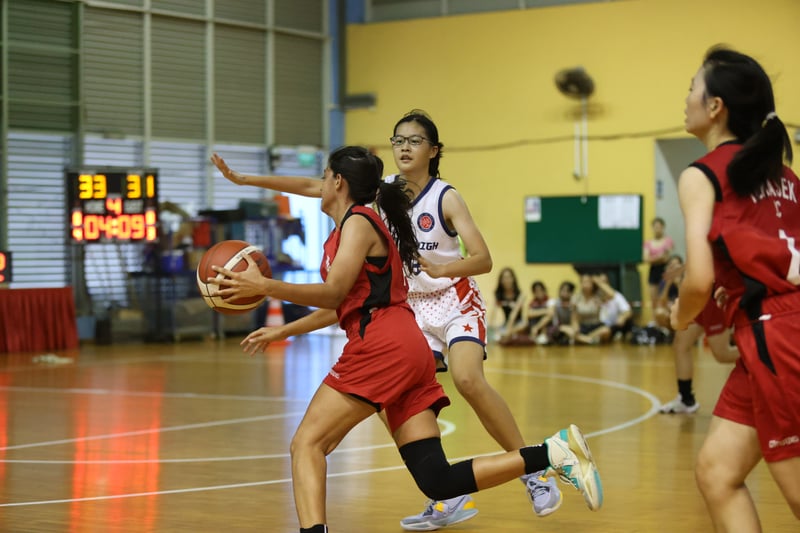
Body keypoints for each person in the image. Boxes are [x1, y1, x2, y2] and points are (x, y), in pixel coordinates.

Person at [208, 146, 603, 533]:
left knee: (307, 444)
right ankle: (553, 452)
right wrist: (283, 330)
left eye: (325, 177)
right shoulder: (351, 226)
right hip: (406, 346)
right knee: (437, 480)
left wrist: (265, 285)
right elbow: (342, 304)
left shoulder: (359, 223)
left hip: (381, 348)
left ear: (338, 182)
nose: (319, 185)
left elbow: (332, 293)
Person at [670, 46, 800, 531]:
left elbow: (698, 280)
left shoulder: (702, 174)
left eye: (692, 87)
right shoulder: (784, 176)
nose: (685, 98)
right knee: (717, 471)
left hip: (780, 336)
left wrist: (679, 317)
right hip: (770, 331)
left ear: (716, 106)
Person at [659, 295, 739, 414]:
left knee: (722, 354)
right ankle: (686, 399)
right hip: (699, 298)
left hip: (714, 296)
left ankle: (764, 350)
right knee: (681, 344)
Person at [643, 217, 674, 317]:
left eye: (659, 227)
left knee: (664, 299)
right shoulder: (648, 243)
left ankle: (665, 322)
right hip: (653, 272)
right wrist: (659, 256)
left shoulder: (668, 241)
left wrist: (653, 258)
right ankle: (655, 323)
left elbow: (666, 258)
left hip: (664, 271)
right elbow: (646, 259)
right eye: (655, 227)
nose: (657, 229)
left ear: (663, 227)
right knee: (654, 300)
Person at [490, 267, 526, 342]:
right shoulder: (498, 295)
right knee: (488, 326)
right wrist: (492, 326)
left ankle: (509, 335)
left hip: (518, 324)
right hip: (505, 324)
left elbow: (514, 314)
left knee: (524, 325)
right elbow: (493, 313)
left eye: (509, 277)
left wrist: (508, 331)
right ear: (501, 281)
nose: (507, 280)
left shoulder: (520, 295)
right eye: (504, 278)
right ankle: (506, 335)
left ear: (513, 279)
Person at [594, 273, 634, 341]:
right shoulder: (595, 297)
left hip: (616, 326)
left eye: (604, 283)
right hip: (602, 325)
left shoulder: (617, 296)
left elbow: (628, 312)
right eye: (600, 283)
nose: (603, 286)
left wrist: (622, 317)